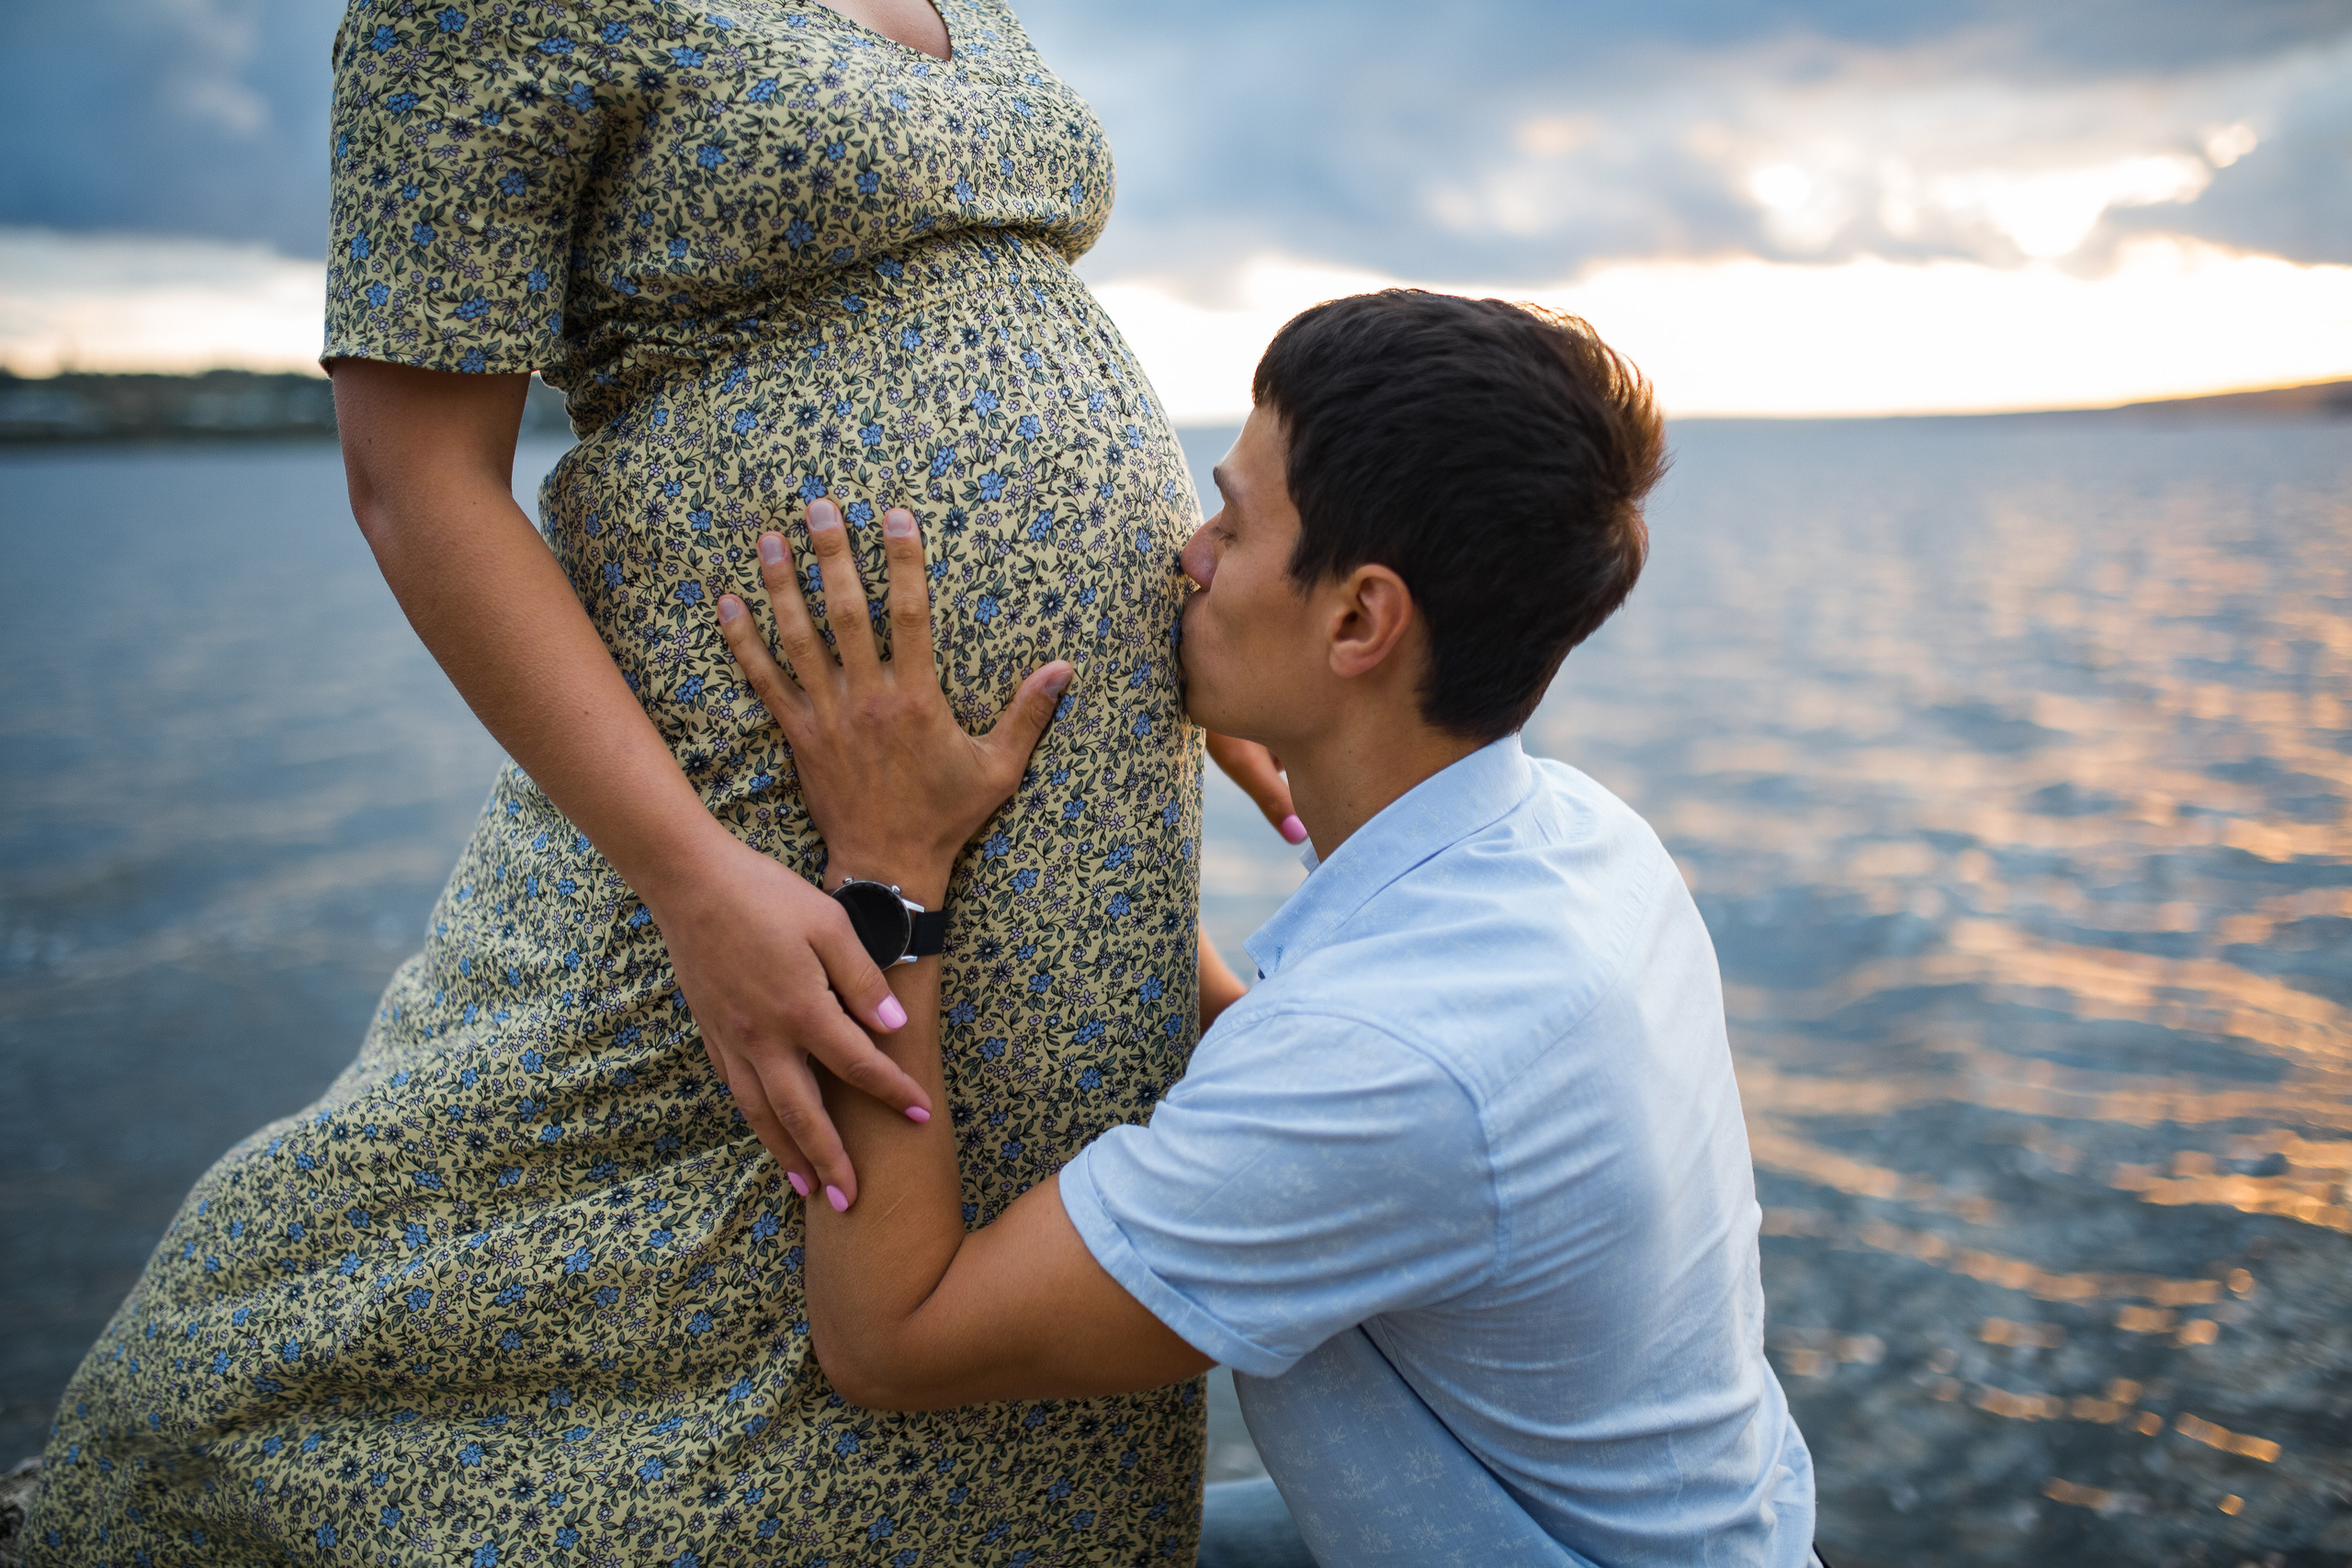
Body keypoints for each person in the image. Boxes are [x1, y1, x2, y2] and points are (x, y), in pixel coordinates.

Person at [25, 2, 1276, 1562]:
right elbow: (412, 481)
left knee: (1024, 1295)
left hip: (1069, 826)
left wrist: (1186, 633)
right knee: (461, 1285)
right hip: (747, 810)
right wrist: (692, 877)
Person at [712, 289, 1821, 1567]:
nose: (1185, 554)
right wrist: (1097, 828)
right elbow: (1328, 1110)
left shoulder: (1396, 1062)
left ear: (1358, 620)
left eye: (1232, 525)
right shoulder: (1580, 842)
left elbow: (896, 1340)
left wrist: (892, 871)